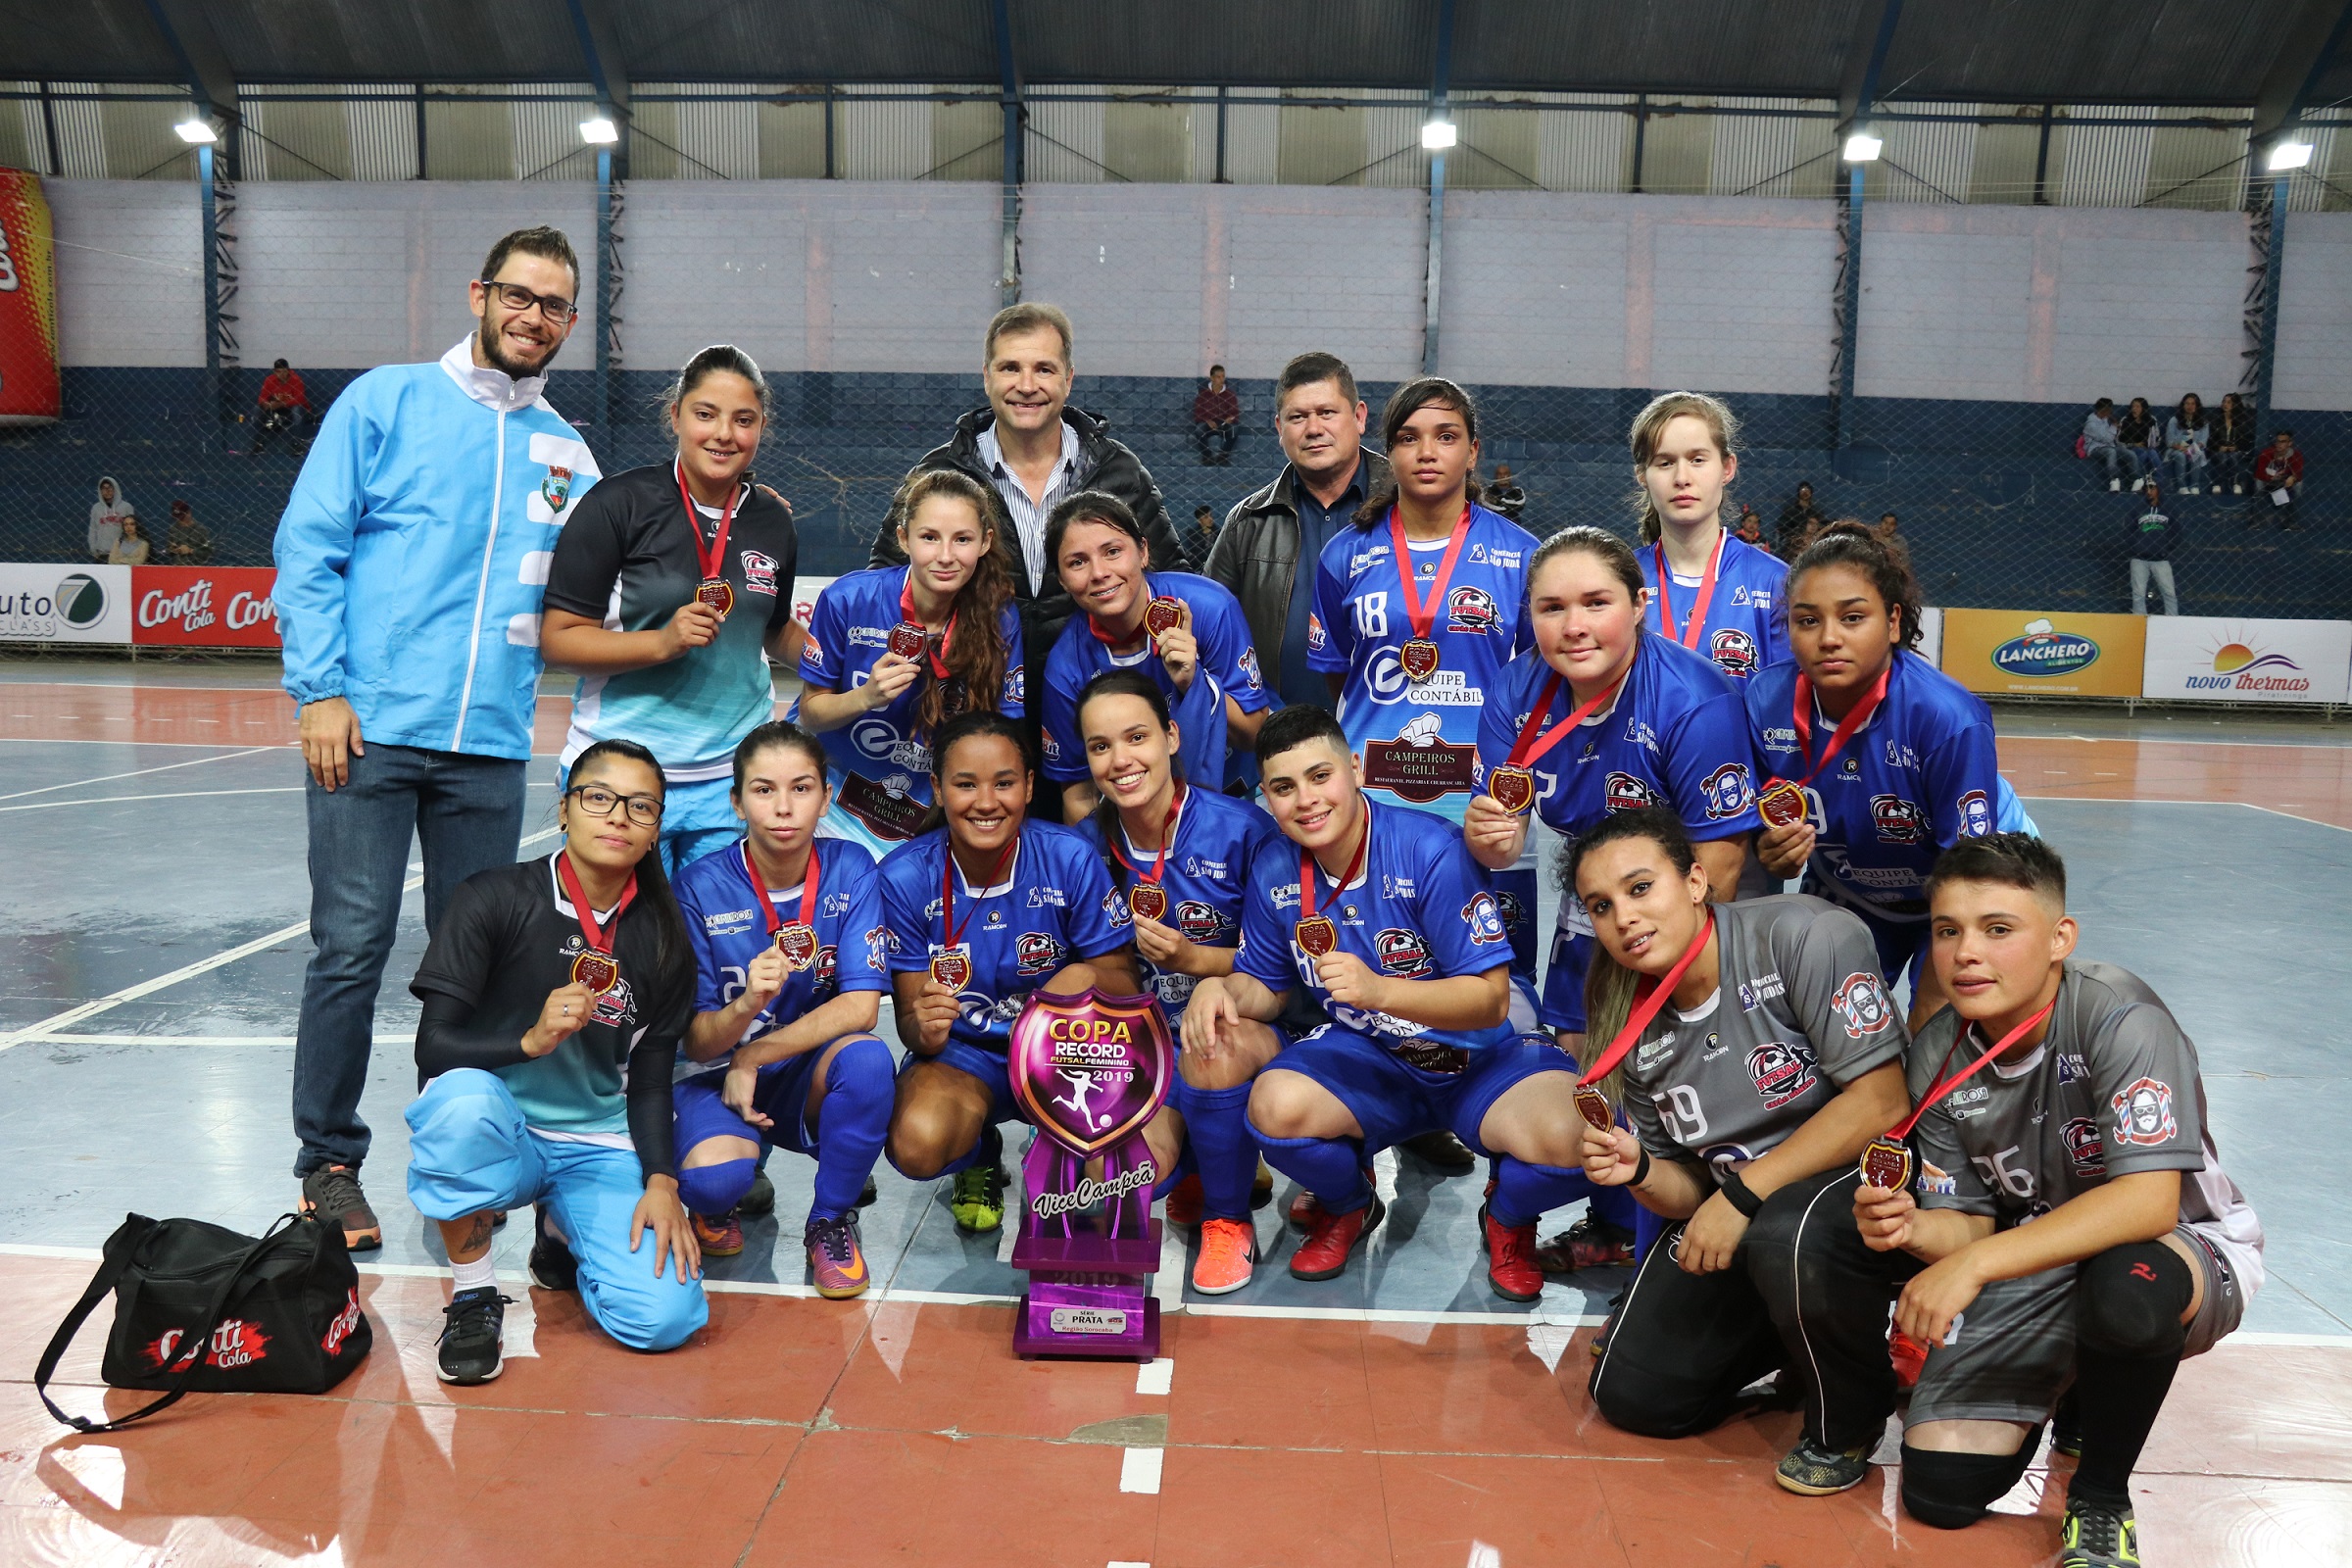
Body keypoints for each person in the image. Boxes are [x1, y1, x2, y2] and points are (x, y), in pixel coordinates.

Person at [274, 224, 597, 1250]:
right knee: (352, 947)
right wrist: (320, 691)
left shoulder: (569, 452)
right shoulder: (386, 401)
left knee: (475, 969)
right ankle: (327, 1161)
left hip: (489, 748)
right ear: (479, 293)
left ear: (570, 324)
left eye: (553, 306)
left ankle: (458, 1149)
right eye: (518, 295)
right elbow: (309, 546)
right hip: (365, 734)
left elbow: (597, 598)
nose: (531, 317)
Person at [1851, 834, 2260, 1567]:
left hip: (2181, 1251)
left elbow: (2147, 1205)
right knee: (1940, 1492)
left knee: (2124, 1292)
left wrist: (1972, 1268)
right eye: (1948, 931)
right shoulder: (1941, 1049)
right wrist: (1916, 1227)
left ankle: (2102, 1498)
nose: (1966, 952)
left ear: (2059, 939)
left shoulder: (2119, 1017)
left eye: (1998, 929)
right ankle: (2072, 1378)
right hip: (2038, 1260)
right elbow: (1970, 1222)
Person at [1187, 705, 1591, 1300]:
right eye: (1282, 787)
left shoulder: (1430, 849)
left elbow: (1488, 1001)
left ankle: (1508, 1217)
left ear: (1354, 768)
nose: (1306, 800)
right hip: (1373, 1055)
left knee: (1580, 1138)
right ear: (1267, 798)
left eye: (1319, 776)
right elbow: (1267, 988)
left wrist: (1380, 990)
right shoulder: (1276, 865)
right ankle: (1349, 1204)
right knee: (1274, 1108)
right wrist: (1217, 987)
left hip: (1480, 1059)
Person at [1569, 808, 1911, 1494]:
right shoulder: (1624, 1011)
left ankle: (1850, 1419)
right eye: (1601, 906)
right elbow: (1691, 1191)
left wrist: (1743, 1195)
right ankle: (1786, 1335)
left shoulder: (1804, 935)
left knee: (1787, 1234)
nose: (1625, 918)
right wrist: (1638, 1170)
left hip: (1871, 1190)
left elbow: (1883, 1102)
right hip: (1746, 1212)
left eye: (1641, 889)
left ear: (1695, 881)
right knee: (1633, 1396)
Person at [1465, 525, 1759, 1271]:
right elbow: (1501, 843)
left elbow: (1719, 869)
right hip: (1587, 897)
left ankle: (1672, 1218)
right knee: (1579, 1071)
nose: (1574, 626)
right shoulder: (1515, 690)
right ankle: (1588, 1219)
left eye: (1596, 602)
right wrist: (1492, 835)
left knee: (1673, 1067)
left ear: (1640, 604)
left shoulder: (1696, 703)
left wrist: (1641, 958)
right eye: (1551, 607)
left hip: (1693, 908)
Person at [404, 738, 707, 1385]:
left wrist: (661, 1181)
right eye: (599, 797)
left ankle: (564, 1233)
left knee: (663, 1321)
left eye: (641, 807)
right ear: (566, 809)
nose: (618, 816)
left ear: (656, 833)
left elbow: (650, 1080)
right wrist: (528, 1042)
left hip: (595, 1142)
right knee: (458, 1100)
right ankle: (475, 1295)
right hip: (500, 1130)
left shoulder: (663, 938)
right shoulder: (492, 899)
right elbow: (433, 1046)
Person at [1310, 377, 1542, 974]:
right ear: (1391, 453)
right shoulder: (1345, 553)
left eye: (1446, 436)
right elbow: (1341, 677)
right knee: (1380, 974)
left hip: (1481, 802)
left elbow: (1537, 686)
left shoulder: (1521, 556)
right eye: (1409, 439)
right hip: (1371, 802)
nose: (1428, 452)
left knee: (1488, 984)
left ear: (1473, 450)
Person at [539, 345, 800, 873]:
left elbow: (771, 631)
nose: (724, 434)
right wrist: (662, 641)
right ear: (676, 414)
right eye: (706, 414)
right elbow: (560, 639)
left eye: (743, 420)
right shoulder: (618, 505)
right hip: (624, 778)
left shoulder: (773, 518)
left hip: (730, 782)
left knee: (715, 950)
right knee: (621, 948)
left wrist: (844, 656)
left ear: (761, 427)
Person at [878, 710, 1141, 1234]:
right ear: (936, 788)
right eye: (965, 784)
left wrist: (1080, 979)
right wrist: (923, 1025)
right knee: (917, 1145)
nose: (986, 802)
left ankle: (1055, 1142)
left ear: (1028, 786)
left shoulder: (1070, 857)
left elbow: (1126, 986)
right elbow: (912, 1026)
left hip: (1066, 1050)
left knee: (1111, 1173)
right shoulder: (903, 877)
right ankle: (979, 1149)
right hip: (965, 1055)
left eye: (1003, 783)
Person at [667, 722, 895, 1297]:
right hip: (711, 1073)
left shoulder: (852, 868)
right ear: (737, 802)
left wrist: (757, 1055)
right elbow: (693, 1042)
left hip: (798, 1070)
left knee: (868, 1063)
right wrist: (746, 1006)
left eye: (802, 788)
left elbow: (862, 1006)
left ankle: (829, 1220)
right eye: (764, 790)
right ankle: (713, 1196)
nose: (784, 807)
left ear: (825, 796)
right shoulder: (696, 887)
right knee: (717, 1183)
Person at [1076, 670, 1283, 1293]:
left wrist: (1198, 960)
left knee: (1213, 1040)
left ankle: (1228, 1220)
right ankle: (1201, 1155)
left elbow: (1280, 971)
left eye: (1136, 736)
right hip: (1142, 1051)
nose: (1120, 760)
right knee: (1104, 1185)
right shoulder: (1081, 848)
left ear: (1171, 736)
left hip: (1240, 1030)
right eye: (1100, 746)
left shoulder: (1244, 830)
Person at [1745, 524, 2000, 1024]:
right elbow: (1757, 836)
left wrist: (1934, 990)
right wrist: (1769, 850)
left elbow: (1974, 877)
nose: (1830, 638)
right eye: (1807, 620)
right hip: (1845, 893)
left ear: (1893, 622)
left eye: (1854, 617)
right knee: (1806, 1032)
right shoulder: (1762, 703)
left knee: (1937, 1033)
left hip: (1950, 898)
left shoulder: (1947, 717)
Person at [866, 303, 1187, 689]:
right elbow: (884, 585)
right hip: (974, 695)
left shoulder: (1119, 471)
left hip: (1092, 694)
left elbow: (1171, 581)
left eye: (1044, 369)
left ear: (1068, 379)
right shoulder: (940, 474)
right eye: (1010, 368)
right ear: (987, 377)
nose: (1027, 385)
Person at [797, 469, 1025, 858]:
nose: (946, 556)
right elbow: (810, 714)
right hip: (832, 803)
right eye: (929, 537)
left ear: (985, 542)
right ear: (903, 538)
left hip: (925, 814)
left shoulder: (1000, 619)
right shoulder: (848, 600)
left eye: (963, 539)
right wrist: (865, 696)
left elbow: (1003, 732)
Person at [1040, 490, 1268, 822]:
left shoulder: (1208, 608)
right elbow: (1079, 793)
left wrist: (1196, 682)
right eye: (1078, 562)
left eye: (1113, 551)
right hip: (1140, 817)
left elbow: (1255, 734)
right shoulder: (1066, 667)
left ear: (1143, 551)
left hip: (1236, 795)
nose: (1099, 572)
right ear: (1062, 580)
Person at [1207, 351, 1391, 714]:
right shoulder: (1247, 522)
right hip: (1276, 742)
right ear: (1279, 429)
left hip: (1386, 738)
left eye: (1326, 412)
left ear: (1359, 417)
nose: (1313, 428)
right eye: (1297, 417)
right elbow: (1209, 632)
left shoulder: (1409, 506)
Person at [1631, 391, 1788, 684]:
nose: (1682, 477)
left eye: (1697, 459)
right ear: (1642, 474)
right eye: (1664, 463)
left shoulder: (1774, 582)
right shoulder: (1622, 580)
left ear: (1727, 468)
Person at [2126, 479, 2179, 615]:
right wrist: (2137, 547)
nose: (2149, 492)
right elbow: (2128, 531)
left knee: (2169, 593)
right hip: (2139, 558)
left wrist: (2166, 548)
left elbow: (2177, 532)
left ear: (2158, 490)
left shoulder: (2168, 510)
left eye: (2152, 488)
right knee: (2138, 594)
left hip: (2161, 559)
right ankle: (2138, 620)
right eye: (2147, 489)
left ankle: (2173, 621)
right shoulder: (2136, 510)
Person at [255, 358, 312, 455]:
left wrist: (281, 404)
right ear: (274, 372)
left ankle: (297, 444)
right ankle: (259, 443)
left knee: (296, 410)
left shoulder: (296, 380)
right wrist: (266, 404)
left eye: (284, 372)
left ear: (288, 371)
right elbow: (262, 398)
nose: (282, 375)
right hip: (278, 409)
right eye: (279, 372)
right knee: (257, 410)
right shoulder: (270, 380)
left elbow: (300, 399)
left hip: (297, 409)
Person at [2254, 428, 2303, 530]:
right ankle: (2255, 522)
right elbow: (2259, 473)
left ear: (2290, 443)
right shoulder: (2266, 453)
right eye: (2277, 441)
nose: (2279, 444)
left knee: (2298, 486)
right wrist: (2271, 477)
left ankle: (2290, 522)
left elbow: (2298, 473)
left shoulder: (2296, 455)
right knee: (2258, 484)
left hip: (2284, 483)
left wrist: (2292, 478)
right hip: (2268, 481)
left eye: (2283, 441)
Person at [1192, 364, 1241, 466]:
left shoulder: (1229, 394)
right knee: (1199, 431)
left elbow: (1235, 412)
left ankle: (1223, 457)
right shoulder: (1203, 395)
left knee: (1234, 431)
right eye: (1219, 377)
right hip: (1208, 423)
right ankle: (1207, 457)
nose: (1222, 379)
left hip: (1224, 423)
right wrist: (1207, 421)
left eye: (1223, 376)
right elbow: (1198, 412)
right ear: (1212, 378)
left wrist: (1229, 419)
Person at [2162, 394, 2209, 495]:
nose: (2190, 406)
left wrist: (2192, 448)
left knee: (2197, 454)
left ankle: (2194, 486)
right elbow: (2169, 441)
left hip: (2194, 448)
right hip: (2176, 450)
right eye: (2187, 403)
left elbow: (2203, 441)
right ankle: (2181, 486)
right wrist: (2180, 447)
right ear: (2183, 405)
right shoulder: (2174, 420)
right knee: (2180, 456)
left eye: (2192, 404)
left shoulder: (2203, 423)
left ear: (2197, 406)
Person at [2208, 392, 2254, 495]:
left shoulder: (2243, 421)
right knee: (2223, 457)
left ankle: (2235, 483)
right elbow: (2210, 440)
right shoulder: (2216, 420)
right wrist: (2219, 447)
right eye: (2224, 401)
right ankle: (2217, 483)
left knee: (2233, 456)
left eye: (2229, 402)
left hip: (2237, 450)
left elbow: (2247, 440)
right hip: (2219, 450)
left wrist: (2237, 447)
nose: (2225, 404)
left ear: (2235, 404)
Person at [2081, 398, 2127, 490]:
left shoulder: (2105, 419)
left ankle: (2137, 480)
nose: (2111, 411)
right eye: (2109, 409)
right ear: (2103, 409)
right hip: (2094, 449)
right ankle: (2114, 480)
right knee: (2111, 452)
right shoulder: (2091, 424)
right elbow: (2107, 438)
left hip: (2108, 446)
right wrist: (2114, 426)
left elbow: (2109, 440)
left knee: (2130, 454)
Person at [1773, 481, 1824, 561]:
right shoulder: (1790, 510)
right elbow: (1782, 527)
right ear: (1798, 492)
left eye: (1807, 490)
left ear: (1811, 493)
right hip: (1793, 540)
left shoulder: (1816, 511)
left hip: (1812, 539)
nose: (1805, 493)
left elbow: (1821, 526)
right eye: (1803, 490)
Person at [87, 476, 132, 563]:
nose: (107, 491)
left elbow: (132, 531)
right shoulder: (96, 508)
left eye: (110, 488)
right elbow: (92, 530)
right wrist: (94, 550)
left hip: (120, 554)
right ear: (100, 491)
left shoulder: (126, 507)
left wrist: (128, 550)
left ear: (116, 489)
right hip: (102, 553)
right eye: (104, 488)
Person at [2115, 398, 2160, 482]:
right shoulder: (2126, 420)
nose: (2134, 409)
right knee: (2141, 452)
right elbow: (2118, 440)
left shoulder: (2151, 420)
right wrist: (2133, 444)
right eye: (2133, 406)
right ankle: (2138, 480)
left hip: (2148, 447)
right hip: (2130, 447)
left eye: (2137, 407)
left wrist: (2150, 445)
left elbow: (2156, 436)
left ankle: (2158, 480)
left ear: (2143, 408)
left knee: (2153, 453)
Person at [163, 499, 213, 564]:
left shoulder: (201, 530)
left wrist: (190, 551)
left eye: (182, 517)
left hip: (195, 568)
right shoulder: (173, 528)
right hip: (176, 567)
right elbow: (167, 549)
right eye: (177, 517)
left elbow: (209, 553)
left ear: (189, 513)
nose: (179, 520)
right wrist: (172, 549)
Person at [1185, 504, 1219, 570]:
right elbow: (1197, 552)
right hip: (1197, 566)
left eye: (1211, 516)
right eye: (1206, 517)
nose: (1210, 519)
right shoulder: (1192, 533)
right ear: (1199, 520)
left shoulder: (1218, 532)